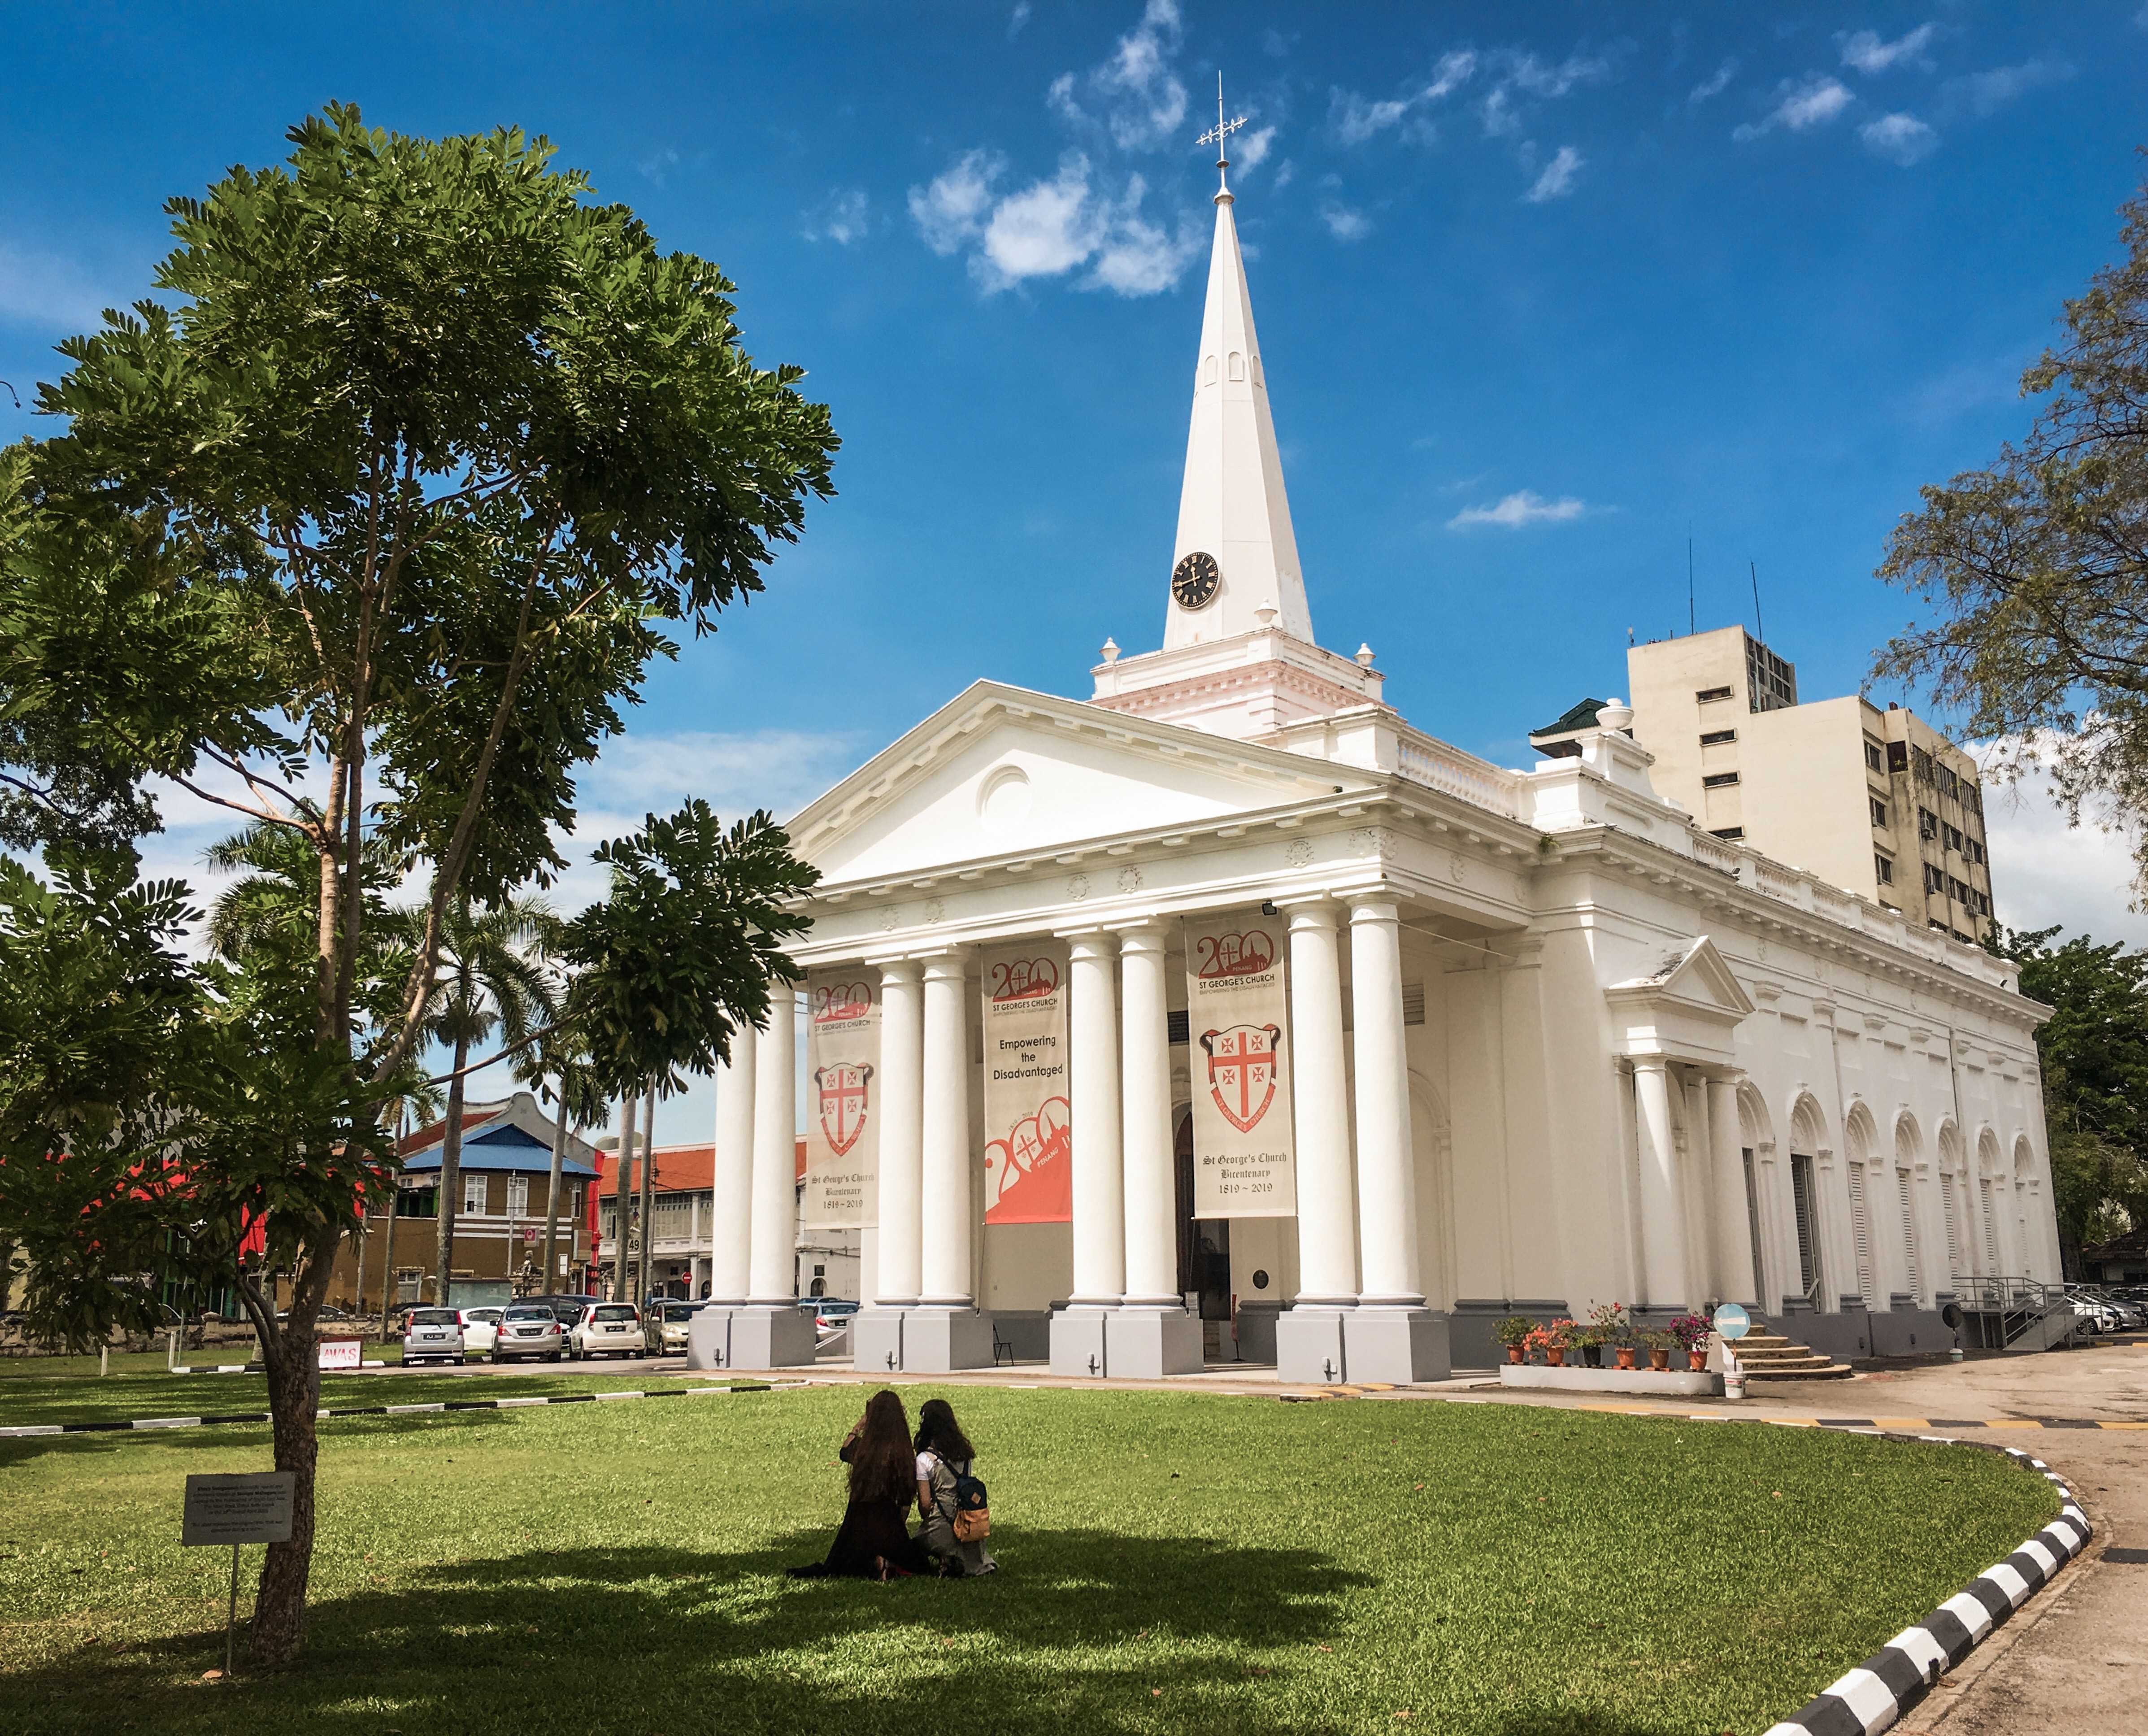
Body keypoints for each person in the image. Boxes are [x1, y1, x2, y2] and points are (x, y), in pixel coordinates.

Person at [789, 1389, 933, 1580]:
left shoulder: (865, 1450)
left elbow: (844, 1450)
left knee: (845, 1561)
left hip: (858, 1524)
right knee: (914, 1560)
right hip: (889, 1523)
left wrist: (861, 1423)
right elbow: (905, 1503)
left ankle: (875, 1561)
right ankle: (885, 1558)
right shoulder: (904, 1454)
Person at [913, 1396, 996, 1577]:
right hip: (969, 1526)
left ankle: (946, 1556)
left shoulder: (924, 1460)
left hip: (940, 1528)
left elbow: (925, 1506)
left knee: (916, 1544)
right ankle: (959, 1559)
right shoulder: (965, 1455)